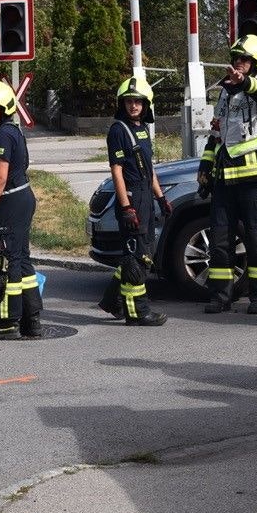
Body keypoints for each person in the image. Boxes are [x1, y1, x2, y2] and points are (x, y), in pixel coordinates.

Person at [197, 34, 257, 314]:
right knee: (220, 241)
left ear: (256, 62)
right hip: (224, 181)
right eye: (236, 58)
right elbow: (217, 133)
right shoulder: (225, 91)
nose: (238, 63)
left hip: (253, 180)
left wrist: (244, 81)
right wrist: (205, 167)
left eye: (244, 59)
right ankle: (220, 296)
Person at [98, 76, 169, 326]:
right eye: (128, 101)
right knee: (136, 258)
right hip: (131, 199)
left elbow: (148, 170)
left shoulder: (143, 130)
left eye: (137, 101)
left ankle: (111, 301)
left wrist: (161, 198)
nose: (133, 106)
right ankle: (137, 311)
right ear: (122, 104)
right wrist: (126, 206)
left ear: (145, 104)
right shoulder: (118, 130)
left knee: (142, 253)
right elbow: (116, 170)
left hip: (146, 197)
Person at [0, 79, 43, 339]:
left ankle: (7, 324)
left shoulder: (2, 135)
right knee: (22, 261)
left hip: (10, 203)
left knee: (4, 264)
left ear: (5, 108)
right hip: (23, 198)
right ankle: (31, 321)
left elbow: (0, 178)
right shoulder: (13, 130)